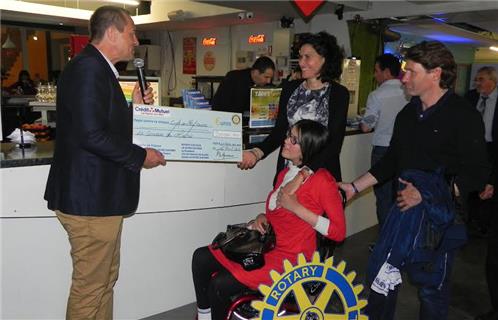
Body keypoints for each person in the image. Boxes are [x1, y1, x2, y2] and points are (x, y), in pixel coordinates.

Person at [340, 41, 491, 320]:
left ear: (435, 73)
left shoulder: (463, 115)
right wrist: (353, 187)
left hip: (439, 220)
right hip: (402, 211)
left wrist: (426, 193)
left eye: (411, 71)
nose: (404, 77)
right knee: (381, 278)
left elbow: (477, 172)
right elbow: (392, 161)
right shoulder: (408, 113)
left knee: (430, 289)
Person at [44, 6, 166, 319]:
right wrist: (142, 157)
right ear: (111, 33)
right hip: (90, 203)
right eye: (131, 33)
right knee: (91, 288)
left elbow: (99, 125)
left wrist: (132, 107)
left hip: (98, 201)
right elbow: (91, 135)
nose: (136, 41)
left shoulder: (95, 67)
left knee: (104, 281)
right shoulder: (88, 69)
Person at [192, 120, 346, 320]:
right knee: (201, 257)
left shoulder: (323, 181)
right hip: (270, 245)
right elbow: (278, 214)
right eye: (288, 135)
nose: (286, 141)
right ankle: (205, 316)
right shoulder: (285, 173)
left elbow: (339, 232)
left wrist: (297, 208)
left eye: (294, 140)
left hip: (293, 259)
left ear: (307, 148)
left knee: (219, 284)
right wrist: (262, 217)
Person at [238, 31, 349, 187]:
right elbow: (279, 132)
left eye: (307, 57)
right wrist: (256, 153)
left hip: (320, 174)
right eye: (300, 56)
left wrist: (303, 174)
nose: (301, 63)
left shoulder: (339, 94)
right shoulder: (290, 88)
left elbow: (334, 143)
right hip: (287, 170)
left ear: (325, 59)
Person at [360, 54, 410, 232]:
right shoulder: (409, 93)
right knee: (402, 197)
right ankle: (399, 240)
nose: (375, 75)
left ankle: (384, 242)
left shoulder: (377, 95)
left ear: (386, 72)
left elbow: (366, 127)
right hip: (405, 151)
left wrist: (363, 120)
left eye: (376, 70)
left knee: (383, 198)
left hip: (382, 150)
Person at [465, 67, 498, 320]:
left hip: (493, 152)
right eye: (477, 79)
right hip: (474, 153)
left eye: (482, 79)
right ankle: (473, 223)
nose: (478, 83)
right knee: (472, 195)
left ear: (494, 82)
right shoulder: (469, 98)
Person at [211, 56, 275, 114]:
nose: (268, 81)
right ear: (255, 72)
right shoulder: (233, 79)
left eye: (270, 78)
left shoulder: (267, 85)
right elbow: (219, 105)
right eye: (266, 77)